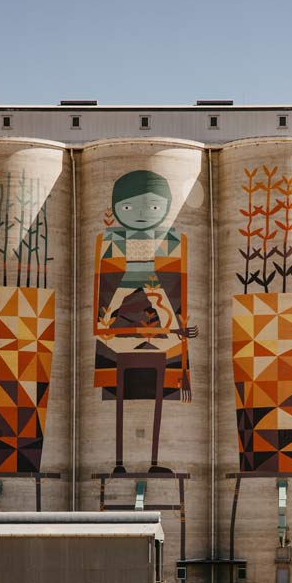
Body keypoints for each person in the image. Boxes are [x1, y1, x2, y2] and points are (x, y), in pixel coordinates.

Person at [93, 170, 198, 474]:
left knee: (161, 393)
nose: (140, 214)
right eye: (128, 207)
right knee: (119, 395)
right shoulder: (110, 241)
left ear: (165, 208)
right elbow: (106, 291)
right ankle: (119, 462)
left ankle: (153, 461)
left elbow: (176, 289)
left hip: (161, 333)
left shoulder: (173, 241)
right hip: (120, 334)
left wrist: (175, 325)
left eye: (152, 206)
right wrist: (108, 322)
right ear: (116, 209)